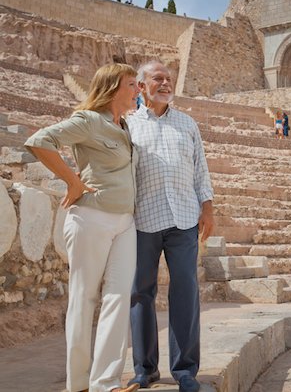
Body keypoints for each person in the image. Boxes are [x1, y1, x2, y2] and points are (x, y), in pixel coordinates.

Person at [24, 64, 140, 392]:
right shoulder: (88, 121)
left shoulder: (126, 126)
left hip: (125, 222)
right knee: (84, 298)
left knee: (118, 298)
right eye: (132, 84)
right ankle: (78, 384)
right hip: (91, 218)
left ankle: (106, 383)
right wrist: (72, 181)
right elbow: (40, 141)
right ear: (113, 87)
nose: (137, 90)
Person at [127, 61, 214, 392]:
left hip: (183, 218)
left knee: (186, 291)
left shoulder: (187, 123)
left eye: (169, 79)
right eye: (157, 78)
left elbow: (200, 169)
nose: (165, 83)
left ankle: (185, 370)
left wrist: (208, 207)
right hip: (142, 219)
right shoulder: (128, 124)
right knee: (140, 294)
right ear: (141, 85)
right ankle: (144, 369)